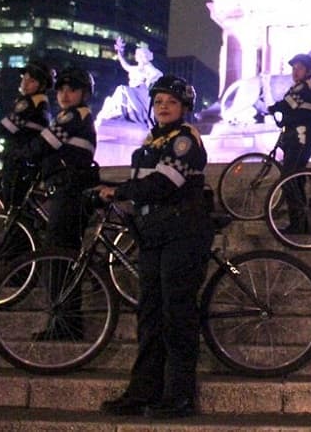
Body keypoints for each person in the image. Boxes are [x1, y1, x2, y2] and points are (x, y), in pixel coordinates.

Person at [98, 75, 211, 419]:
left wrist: (119, 192)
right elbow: (141, 184)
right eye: (159, 101)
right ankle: (143, 391)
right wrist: (106, 189)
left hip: (182, 233)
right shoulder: (153, 141)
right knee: (149, 316)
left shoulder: (185, 140)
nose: (163, 106)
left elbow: (163, 183)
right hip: (155, 235)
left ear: (184, 108)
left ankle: (180, 396)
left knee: (177, 315)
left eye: (171, 102)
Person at [10, 67, 98, 341]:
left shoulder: (74, 116)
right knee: (62, 255)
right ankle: (65, 321)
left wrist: (20, 154)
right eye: (61, 90)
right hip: (65, 189)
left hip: (69, 192)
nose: (65, 95)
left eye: (72, 89)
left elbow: (44, 143)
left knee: (58, 257)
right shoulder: (73, 115)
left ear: (84, 93)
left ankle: (65, 324)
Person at [267, 54, 311, 232]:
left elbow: (287, 104)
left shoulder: (304, 88)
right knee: (295, 179)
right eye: (294, 68)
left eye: (300, 68)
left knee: (289, 178)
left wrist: (273, 107)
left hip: (301, 138)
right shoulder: (298, 87)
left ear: (309, 71)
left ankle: (299, 223)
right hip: (295, 137)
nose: (295, 71)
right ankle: (300, 223)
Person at [0, 60, 53, 207]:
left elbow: (7, 126)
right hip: (26, 158)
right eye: (24, 79)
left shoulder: (31, 102)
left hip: (19, 158)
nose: (25, 83)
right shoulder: (40, 102)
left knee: (13, 203)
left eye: (32, 81)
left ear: (42, 86)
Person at [96, 37, 163, 125]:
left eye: (140, 55)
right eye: (138, 55)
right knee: (120, 90)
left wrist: (148, 81)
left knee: (122, 89)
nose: (138, 57)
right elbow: (125, 65)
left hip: (141, 93)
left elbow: (158, 76)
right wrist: (120, 52)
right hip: (133, 92)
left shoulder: (149, 69)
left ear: (145, 57)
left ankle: (122, 113)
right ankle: (118, 113)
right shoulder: (135, 69)